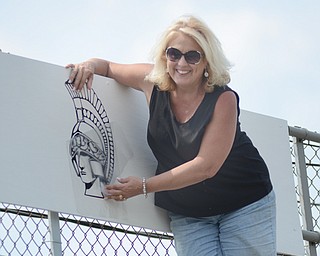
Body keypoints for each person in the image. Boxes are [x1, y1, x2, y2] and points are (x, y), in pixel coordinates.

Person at [66, 15, 276, 256]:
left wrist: (143, 186)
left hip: (245, 203)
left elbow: (205, 167)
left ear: (207, 61)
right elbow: (109, 67)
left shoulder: (224, 99)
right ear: (164, 56)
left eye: (192, 56)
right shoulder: (151, 82)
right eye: (174, 53)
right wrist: (89, 65)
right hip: (190, 212)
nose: (181, 63)